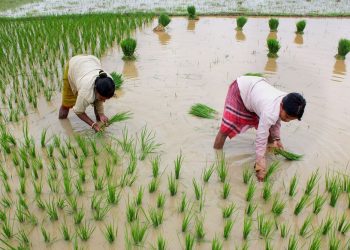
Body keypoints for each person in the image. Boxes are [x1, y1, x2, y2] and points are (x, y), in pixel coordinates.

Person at [214, 75, 306, 181]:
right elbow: (260, 138)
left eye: (291, 119)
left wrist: (277, 139)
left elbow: (276, 121)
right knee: (226, 128)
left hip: (256, 92)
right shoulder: (270, 111)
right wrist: (260, 163)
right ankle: (217, 153)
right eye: (287, 117)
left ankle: (271, 146)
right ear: (281, 105)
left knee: (270, 124)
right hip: (240, 90)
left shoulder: (288, 101)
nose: (287, 120)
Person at [58, 55, 115, 132]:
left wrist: (101, 114)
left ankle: (100, 125)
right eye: (102, 98)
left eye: (106, 99)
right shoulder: (85, 92)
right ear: (95, 89)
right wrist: (92, 124)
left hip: (91, 61)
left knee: (98, 102)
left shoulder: (109, 81)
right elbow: (78, 111)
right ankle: (62, 125)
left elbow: (99, 100)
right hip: (74, 66)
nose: (104, 101)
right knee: (66, 105)